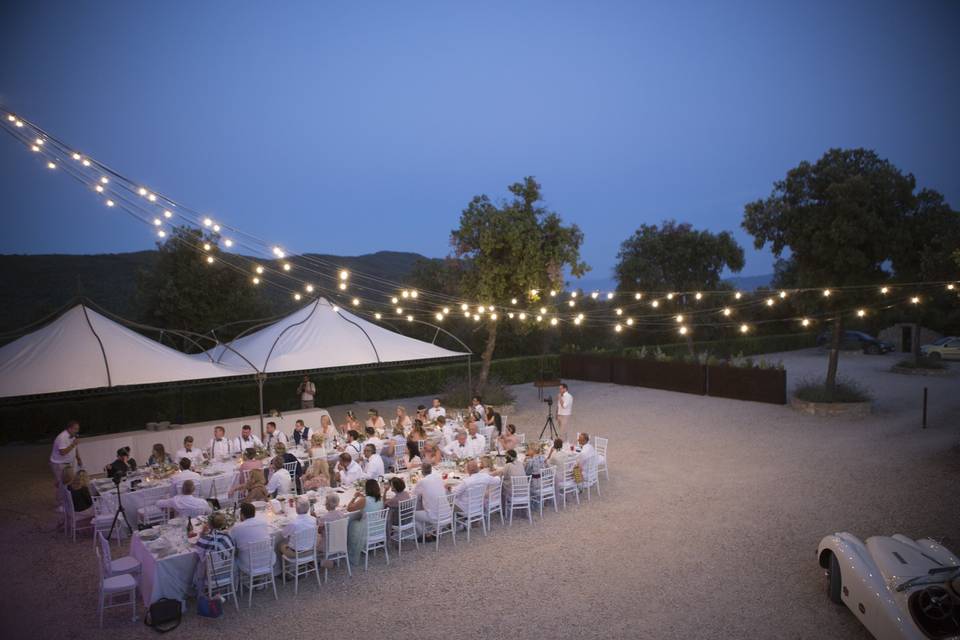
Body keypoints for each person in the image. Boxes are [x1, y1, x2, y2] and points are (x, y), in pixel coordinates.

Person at [347, 479, 383, 565]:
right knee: (356, 522)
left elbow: (349, 508)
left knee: (352, 524)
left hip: (368, 529)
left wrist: (354, 497)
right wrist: (362, 497)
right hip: (379, 527)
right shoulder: (380, 498)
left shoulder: (364, 500)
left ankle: (352, 549)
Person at [230, 502, 273, 571]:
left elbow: (232, 543)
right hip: (268, 560)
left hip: (248, 564)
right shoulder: (263, 523)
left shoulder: (237, 527)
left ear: (242, 515)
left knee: (234, 555)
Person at [413, 463, 446, 537]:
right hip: (445, 513)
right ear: (431, 470)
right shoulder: (438, 478)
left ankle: (425, 534)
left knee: (412, 515)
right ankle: (432, 530)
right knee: (428, 505)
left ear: (422, 471)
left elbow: (414, 495)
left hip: (434, 515)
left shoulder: (422, 481)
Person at [49, 420, 81, 489]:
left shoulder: (73, 435)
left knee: (69, 481)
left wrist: (78, 458)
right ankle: (61, 499)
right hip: (59, 464)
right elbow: (62, 452)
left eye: (78, 429)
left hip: (68, 463)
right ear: (69, 429)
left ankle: (68, 497)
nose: (77, 431)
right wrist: (73, 444)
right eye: (75, 429)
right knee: (62, 484)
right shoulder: (62, 437)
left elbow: (75, 448)